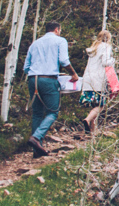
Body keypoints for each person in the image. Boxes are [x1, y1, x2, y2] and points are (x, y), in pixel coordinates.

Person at [23, 20, 78, 158]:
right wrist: (73, 74)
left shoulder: (35, 43)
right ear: (57, 30)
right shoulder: (60, 41)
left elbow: (26, 68)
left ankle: (37, 149)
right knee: (53, 111)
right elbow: (64, 60)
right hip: (48, 80)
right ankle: (36, 137)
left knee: (37, 113)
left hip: (33, 79)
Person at [79, 30, 115, 134]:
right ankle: (87, 119)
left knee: (94, 104)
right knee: (100, 105)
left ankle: (93, 131)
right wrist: (113, 60)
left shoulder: (93, 48)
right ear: (108, 38)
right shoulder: (106, 47)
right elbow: (105, 62)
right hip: (98, 79)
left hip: (88, 78)